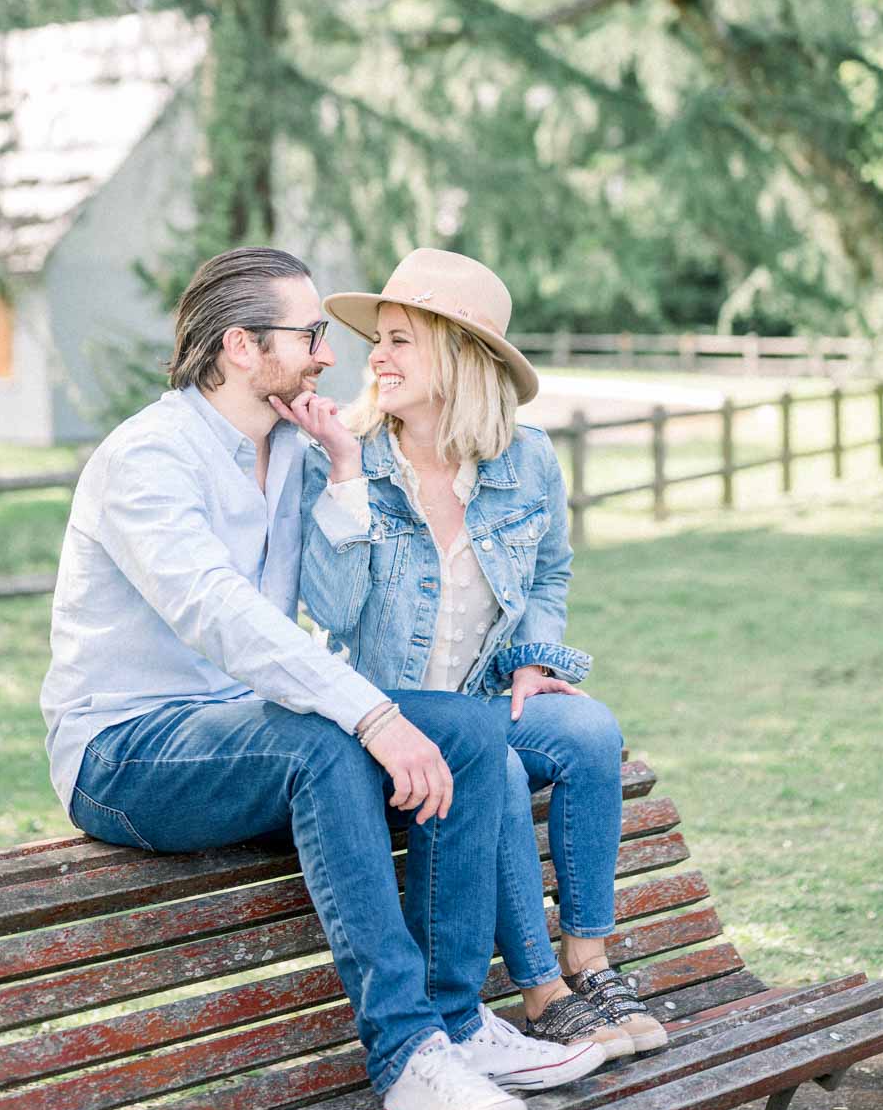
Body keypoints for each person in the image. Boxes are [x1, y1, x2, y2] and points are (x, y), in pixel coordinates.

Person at [41, 246, 604, 1110]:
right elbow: (221, 616)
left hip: (246, 732)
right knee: (326, 741)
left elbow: (334, 599)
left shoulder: (297, 450)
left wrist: (344, 463)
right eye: (308, 335)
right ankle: (408, 1057)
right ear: (239, 347)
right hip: (127, 753)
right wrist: (375, 717)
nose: (327, 355)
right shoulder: (149, 458)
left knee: (468, 732)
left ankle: (459, 1025)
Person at [281, 247, 668, 1061]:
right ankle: (542, 990)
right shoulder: (342, 457)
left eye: (399, 341)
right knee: (491, 755)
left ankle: (591, 961)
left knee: (590, 733)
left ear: (462, 356)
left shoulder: (525, 461)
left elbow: (550, 572)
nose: (375, 359)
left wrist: (535, 657)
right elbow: (333, 608)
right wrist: (348, 476)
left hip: (484, 700)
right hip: (383, 723)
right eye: (376, 340)